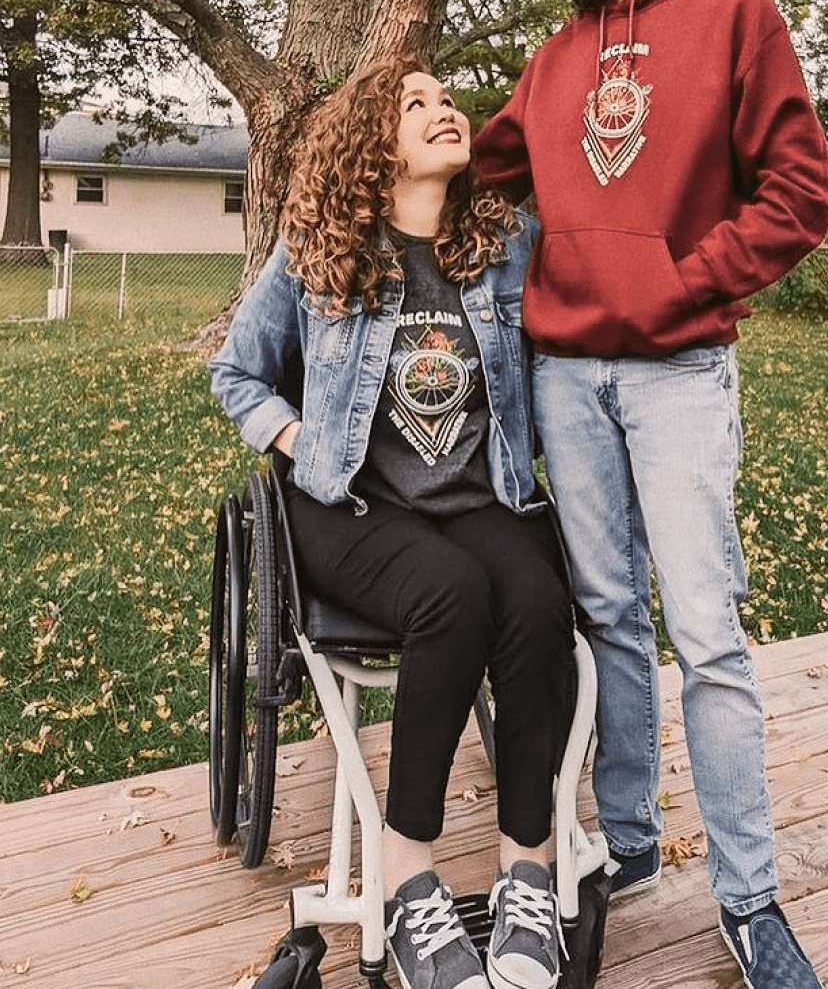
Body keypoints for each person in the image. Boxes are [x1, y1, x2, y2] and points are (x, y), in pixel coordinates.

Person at [472, 0, 828, 989]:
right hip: (566, 375)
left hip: (679, 372)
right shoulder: (553, 57)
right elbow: (477, 165)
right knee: (609, 620)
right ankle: (627, 841)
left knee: (708, 634)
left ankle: (748, 896)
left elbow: (798, 192)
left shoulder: (736, 14)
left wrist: (682, 280)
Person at [209, 57, 574, 989]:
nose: (445, 110)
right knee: (449, 596)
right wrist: (302, 442)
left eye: (448, 98)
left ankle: (527, 869)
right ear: (372, 144)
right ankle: (409, 881)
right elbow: (236, 374)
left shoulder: (507, 245)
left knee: (534, 596)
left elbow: (577, 335)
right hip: (351, 507)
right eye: (416, 104)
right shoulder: (318, 254)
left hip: (479, 498)